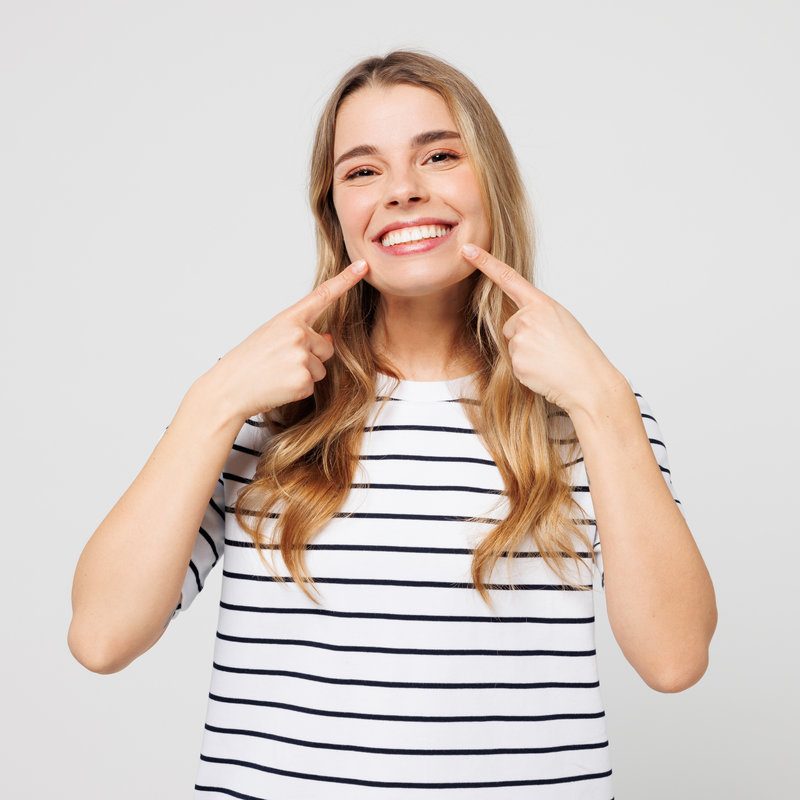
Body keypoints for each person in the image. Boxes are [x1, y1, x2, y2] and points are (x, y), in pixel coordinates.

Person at [68, 49, 716, 799]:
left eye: (439, 155)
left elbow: (674, 661)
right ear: (334, 211)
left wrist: (603, 402)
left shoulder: (592, 410)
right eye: (363, 170)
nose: (404, 191)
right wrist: (211, 402)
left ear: (491, 184)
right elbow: (100, 638)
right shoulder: (257, 406)